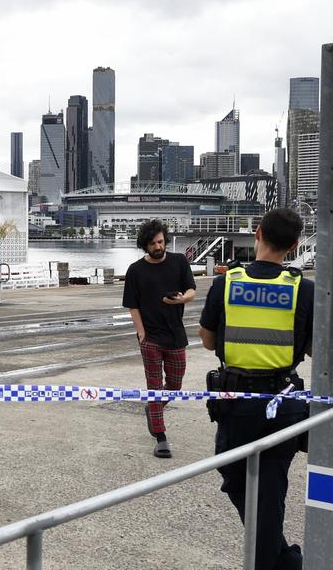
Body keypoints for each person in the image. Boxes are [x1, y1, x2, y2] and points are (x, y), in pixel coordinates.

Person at [198, 208, 311, 570]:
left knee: (236, 478)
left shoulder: (227, 282)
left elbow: (206, 339)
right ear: (294, 246)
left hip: (237, 401)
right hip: (284, 399)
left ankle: (278, 562)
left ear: (257, 233)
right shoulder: (302, 289)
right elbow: (311, 347)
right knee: (271, 487)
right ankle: (280, 558)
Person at [121, 218, 197, 458]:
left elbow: (192, 289)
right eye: (153, 243)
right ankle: (161, 437)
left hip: (176, 334)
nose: (158, 246)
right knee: (154, 388)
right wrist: (142, 333)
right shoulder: (135, 270)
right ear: (145, 245)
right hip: (151, 338)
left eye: (161, 241)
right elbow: (133, 305)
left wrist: (182, 299)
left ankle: (153, 409)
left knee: (174, 386)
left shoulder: (179, 261)